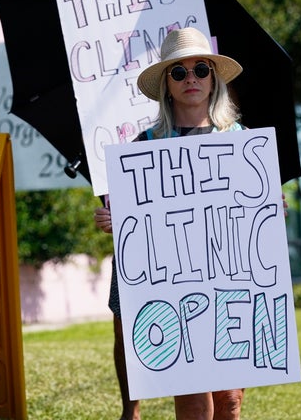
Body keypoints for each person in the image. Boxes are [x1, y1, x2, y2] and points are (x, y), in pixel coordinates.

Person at [95, 26, 274, 420]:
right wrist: (113, 218)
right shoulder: (143, 147)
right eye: (179, 72)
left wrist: (270, 206)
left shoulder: (241, 140)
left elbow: (254, 212)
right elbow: (131, 218)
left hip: (229, 281)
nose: (190, 78)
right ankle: (132, 410)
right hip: (174, 287)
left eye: (200, 69)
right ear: (167, 85)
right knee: (194, 401)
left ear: (214, 79)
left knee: (229, 401)